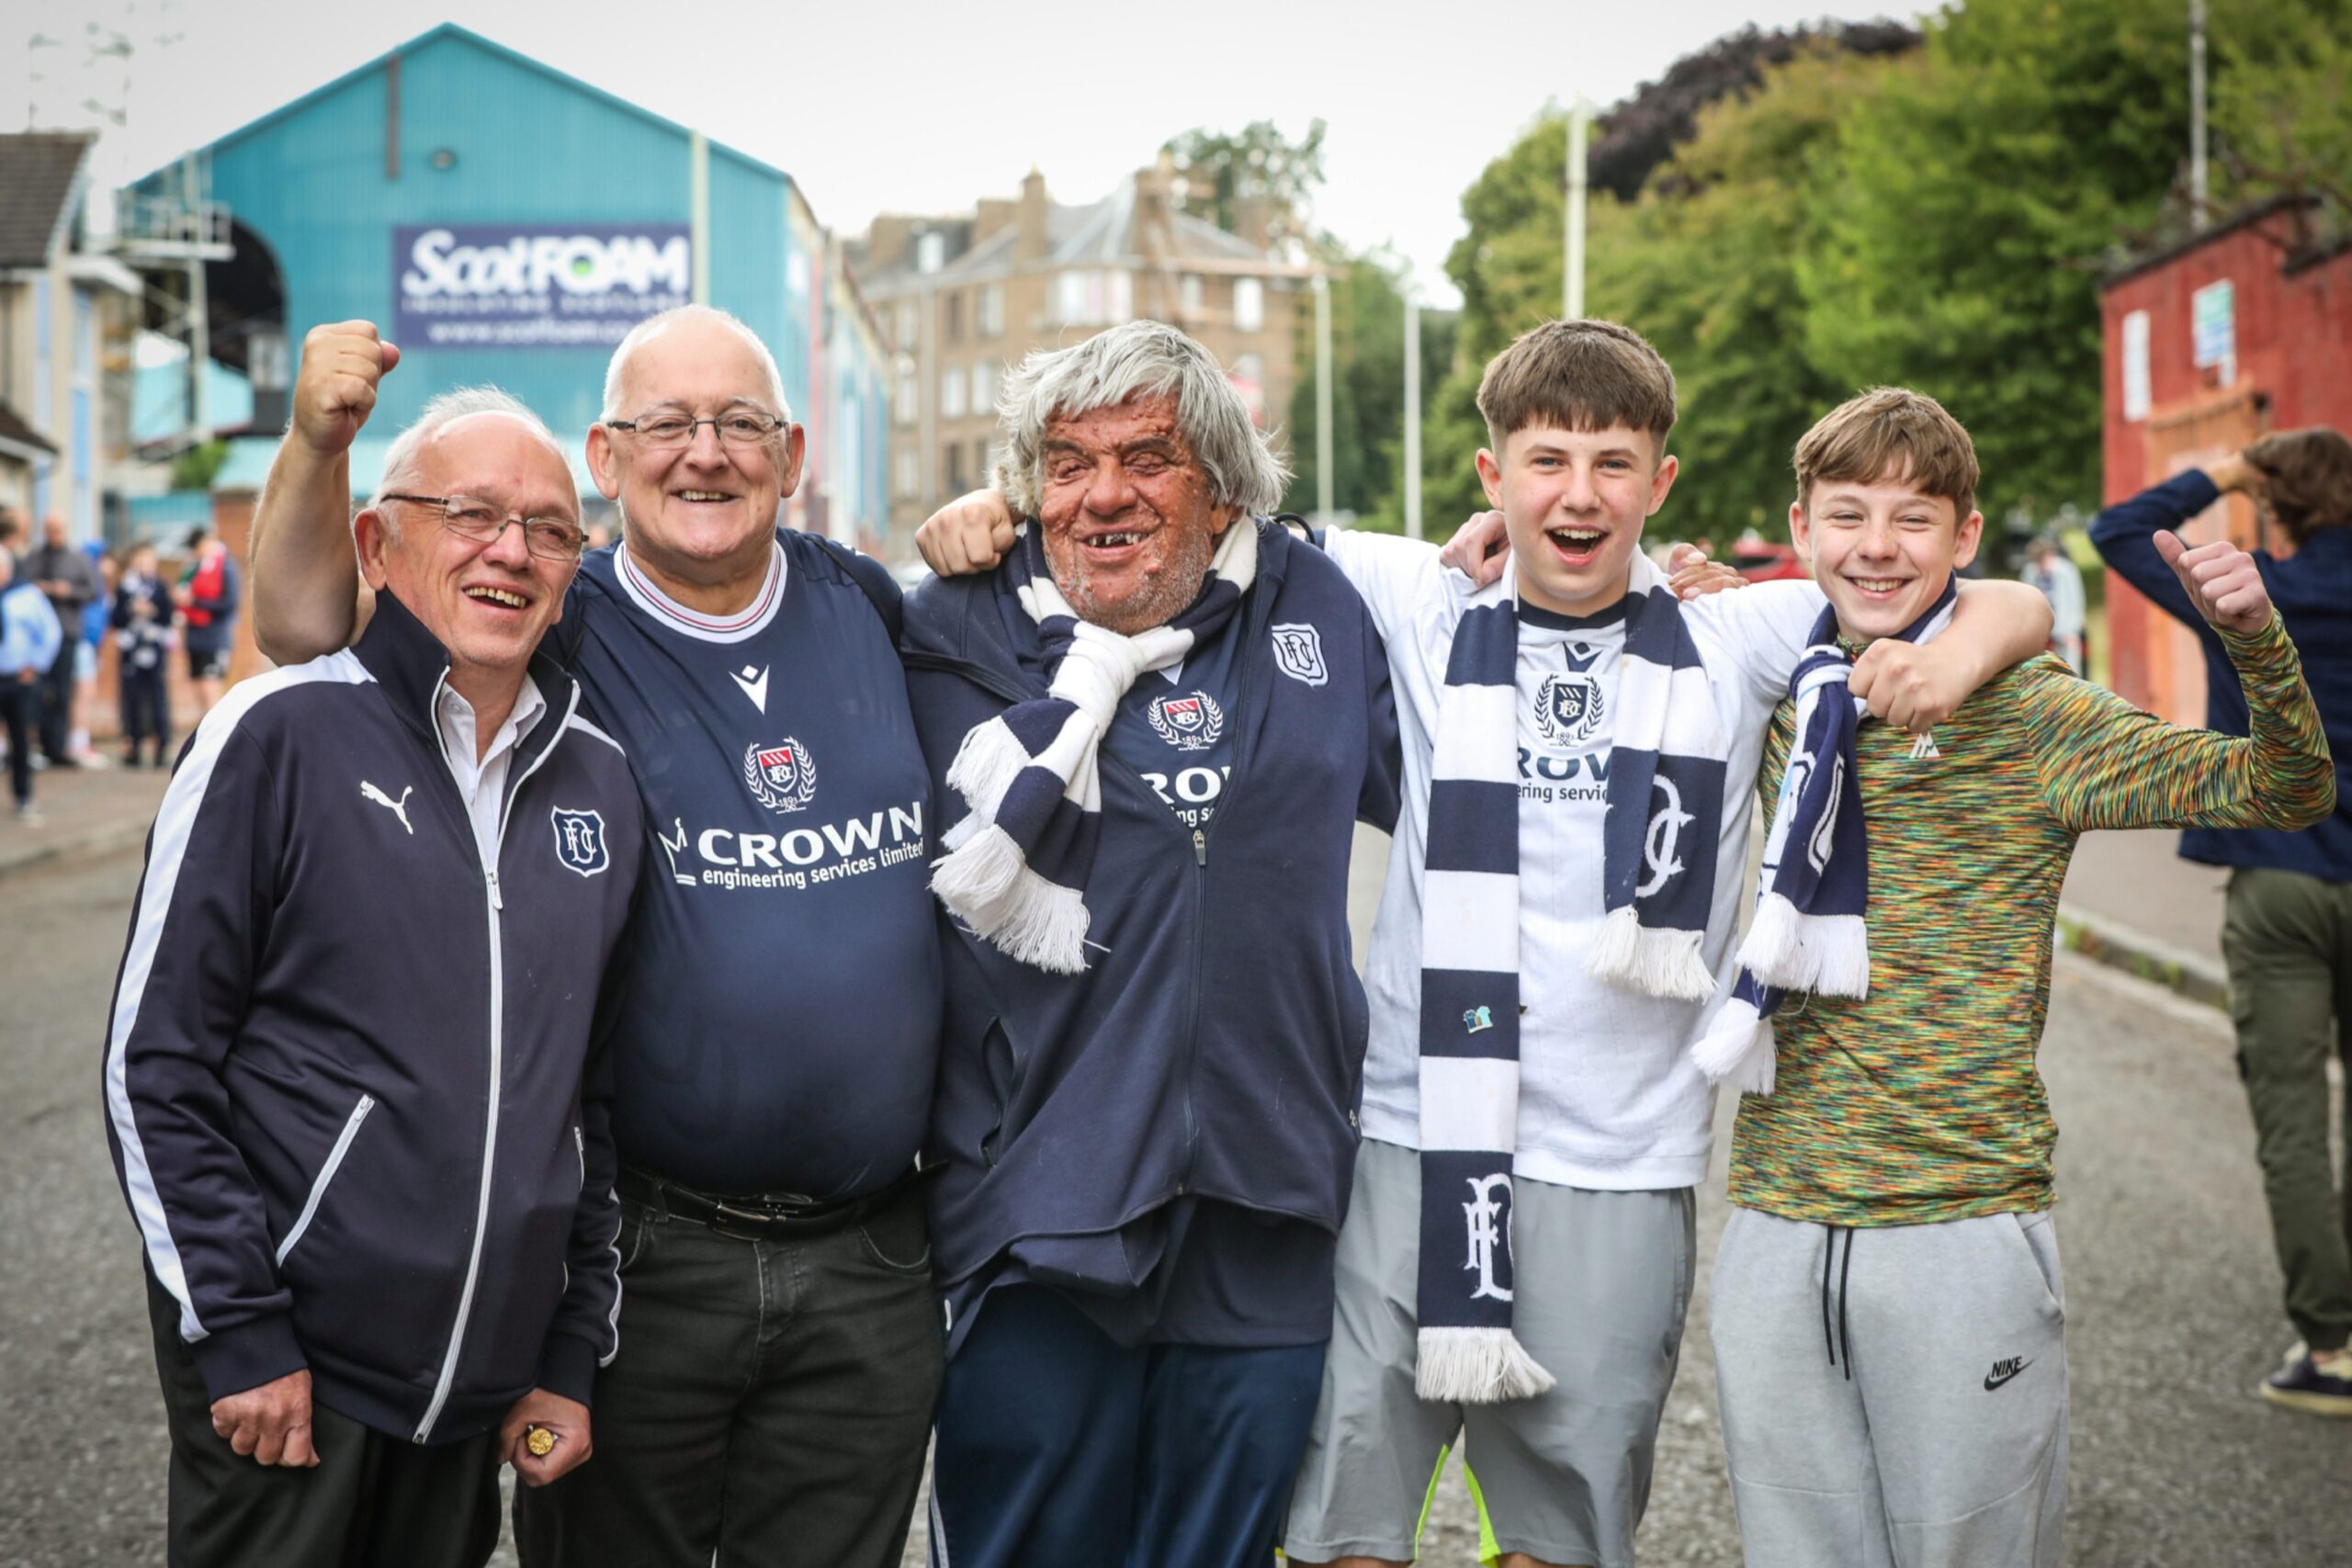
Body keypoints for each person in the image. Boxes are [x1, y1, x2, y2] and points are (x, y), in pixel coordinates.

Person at [917, 322, 2054, 1568]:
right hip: (1406, 1131)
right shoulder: (1413, 594)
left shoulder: (1740, 633)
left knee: (1556, 1532)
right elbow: (1148, 512)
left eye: (1614, 462)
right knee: (1348, 1527)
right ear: (1490, 473)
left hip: (1616, 1158)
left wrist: (1955, 659)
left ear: (1661, 482)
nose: (1578, 492)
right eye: (1547, 458)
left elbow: (1985, 591)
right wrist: (1000, 499)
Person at [245, 310, 944, 1568]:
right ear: (606, 457)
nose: (705, 453)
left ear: (790, 453)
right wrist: (313, 442)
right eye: (665, 424)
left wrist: (988, 529)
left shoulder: (867, 604)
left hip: (870, 1254)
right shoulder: (555, 615)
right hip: (641, 1259)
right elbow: (304, 631)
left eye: (738, 423)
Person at [1704, 389, 2332, 1566]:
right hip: (1777, 1213)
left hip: (1961, 1223)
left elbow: (2285, 791)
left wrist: (2253, 641)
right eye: (1847, 515)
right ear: (1800, 529)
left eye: (1912, 517)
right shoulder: (1772, 680)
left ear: (1963, 535)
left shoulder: (2035, 715)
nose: (1876, 546)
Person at [103, 387, 644, 1567]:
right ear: (376, 542)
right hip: (293, 1379)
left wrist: (563, 1361)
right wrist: (239, 1332)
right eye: (470, 514)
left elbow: (585, 1113)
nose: (512, 549)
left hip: (472, 1406)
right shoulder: (276, 734)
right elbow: (157, 1064)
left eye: (551, 529)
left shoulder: (601, 782)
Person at [901, 320, 1400, 1568]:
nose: (1104, 493)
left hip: (1266, 1195)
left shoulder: (1327, 603)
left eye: (1147, 457)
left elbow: (1526, 635)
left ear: (1222, 482)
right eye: (1066, 463)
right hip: (1040, 1212)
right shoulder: (955, 619)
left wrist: (1693, 602)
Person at [2090, 428, 2352, 1416]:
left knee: (2290, 1116)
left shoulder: (2248, 591)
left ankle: (2329, 1346)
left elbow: (2120, 531)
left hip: (2279, 873)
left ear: (2274, 506)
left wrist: (2226, 471)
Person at [28, 514, 98, 763]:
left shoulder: (78, 559)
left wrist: (68, 591)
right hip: (37, 637)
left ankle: (58, 747)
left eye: (58, 530)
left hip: (66, 632)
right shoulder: (34, 558)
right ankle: (40, 745)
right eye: (50, 530)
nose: (54, 535)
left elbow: (92, 591)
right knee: (37, 690)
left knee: (62, 691)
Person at [0, 544, 62, 822]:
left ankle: (24, 797)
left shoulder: (27, 595)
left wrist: (35, 665)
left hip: (18, 678)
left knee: (21, 739)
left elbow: (50, 632)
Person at [114, 542, 177, 768]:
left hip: (154, 650)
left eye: (148, 560)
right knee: (131, 698)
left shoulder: (160, 587)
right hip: (131, 651)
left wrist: (153, 611)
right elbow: (116, 619)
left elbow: (169, 616)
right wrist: (131, 609)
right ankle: (133, 744)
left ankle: (161, 745)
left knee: (158, 699)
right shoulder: (126, 587)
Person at [178, 527, 242, 716]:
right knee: (199, 690)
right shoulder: (194, 569)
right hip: (195, 636)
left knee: (211, 691)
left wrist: (195, 602)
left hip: (214, 638)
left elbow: (230, 603)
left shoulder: (225, 567)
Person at [2023, 533, 2086, 671]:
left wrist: (2074, 628)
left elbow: (2076, 600)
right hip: (2042, 630)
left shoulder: (2066, 571)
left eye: (2043, 561)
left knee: (2069, 666)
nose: (2041, 566)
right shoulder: (2031, 572)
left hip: (2065, 628)